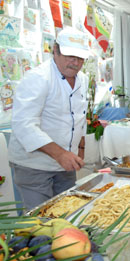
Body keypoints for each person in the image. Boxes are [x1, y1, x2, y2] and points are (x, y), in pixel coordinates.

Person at [8, 27, 90, 211]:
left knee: (68, 212)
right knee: (40, 220)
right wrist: (60, 154)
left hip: (65, 164)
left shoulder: (82, 79)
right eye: (70, 56)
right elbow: (24, 124)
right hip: (34, 165)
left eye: (80, 58)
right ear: (55, 50)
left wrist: (80, 147)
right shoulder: (38, 77)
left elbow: (78, 116)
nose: (75, 62)